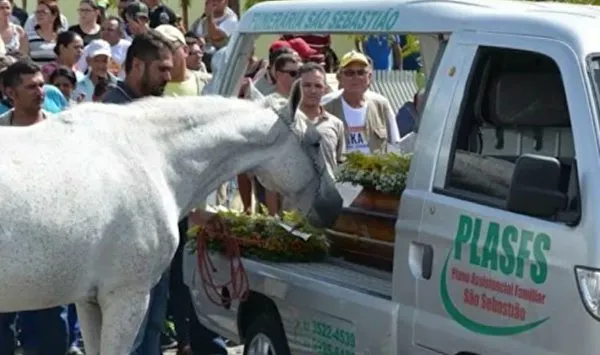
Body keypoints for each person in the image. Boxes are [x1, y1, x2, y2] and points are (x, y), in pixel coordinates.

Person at [102, 30, 173, 355]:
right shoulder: (110, 113)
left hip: (156, 242)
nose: (168, 78)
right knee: (128, 335)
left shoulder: (160, 111)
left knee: (152, 329)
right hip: (122, 248)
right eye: (162, 69)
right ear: (137, 67)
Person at [0, 60, 70, 355]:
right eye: (30, 87)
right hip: (6, 245)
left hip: (50, 243)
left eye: (42, 85)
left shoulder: (62, 132)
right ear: (10, 94)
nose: (40, 91)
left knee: (50, 326)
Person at [322, 50, 400, 154]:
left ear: (369, 76)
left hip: (375, 169)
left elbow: (395, 145)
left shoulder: (381, 105)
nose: (356, 77)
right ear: (340, 77)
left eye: (361, 72)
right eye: (349, 73)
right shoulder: (326, 106)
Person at [295, 62, 345, 169]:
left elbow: (341, 163)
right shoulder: (284, 123)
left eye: (318, 86)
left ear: (325, 89)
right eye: (307, 85)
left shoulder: (336, 124)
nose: (313, 91)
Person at [189, 0, 238, 70]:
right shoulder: (201, 20)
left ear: (226, 2)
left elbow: (215, 35)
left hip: (223, 65)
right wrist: (197, 40)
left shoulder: (231, 19)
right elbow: (190, 36)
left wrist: (209, 16)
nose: (214, 1)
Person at [27, 0, 61, 65]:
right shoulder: (28, 37)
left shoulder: (61, 37)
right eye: (37, 12)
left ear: (54, 15)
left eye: (43, 12)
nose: (39, 15)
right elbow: (24, 60)